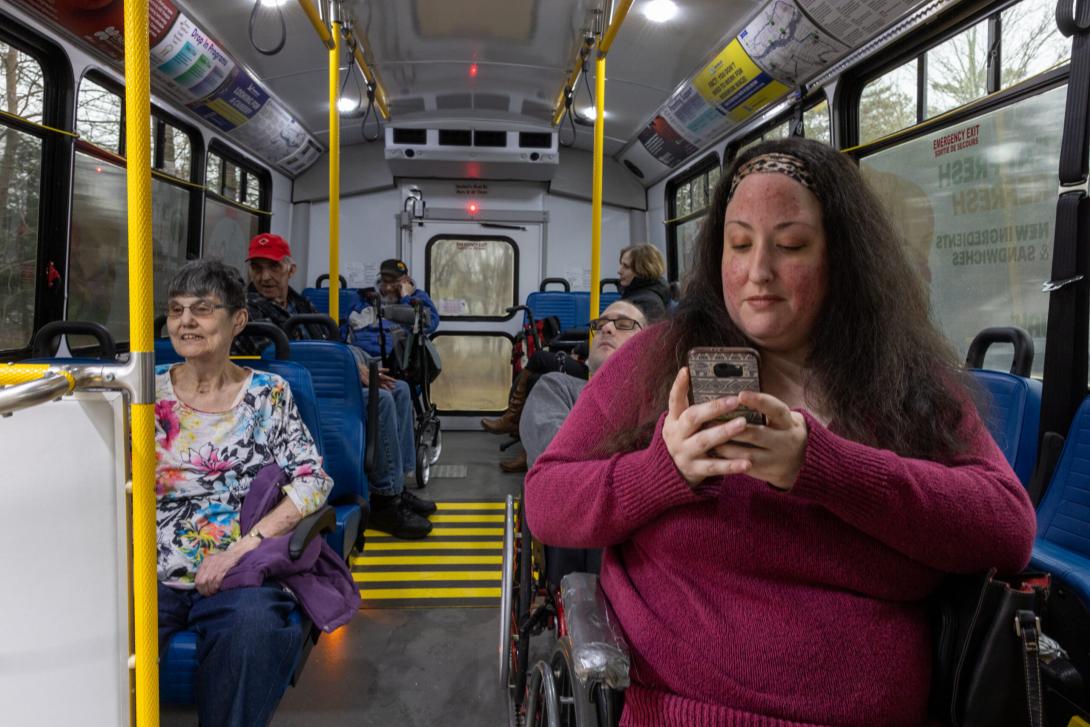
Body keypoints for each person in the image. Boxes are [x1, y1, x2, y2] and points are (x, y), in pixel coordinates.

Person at [524, 138, 1037, 726]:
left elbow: (1006, 527)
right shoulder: (657, 360)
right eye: (738, 244)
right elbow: (548, 500)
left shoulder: (901, 378)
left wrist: (824, 469)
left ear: (841, 257)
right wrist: (661, 472)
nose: (758, 272)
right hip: (685, 710)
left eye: (790, 245)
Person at [155, 259, 358, 727]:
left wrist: (242, 550)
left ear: (237, 320)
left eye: (202, 310)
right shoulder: (143, 391)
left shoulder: (269, 394)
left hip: (238, 568)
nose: (185, 322)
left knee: (251, 629)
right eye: (176, 310)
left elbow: (312, 481)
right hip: (149, 568)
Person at [241, 234, 434, 539]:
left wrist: (354, 366)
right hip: (296, 388)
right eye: (257, 268)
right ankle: (385, 500)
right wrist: (346, 371)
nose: (265, 276)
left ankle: (397, 485)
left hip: (326, 374)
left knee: (400, 389)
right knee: (379, 402)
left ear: (290, 270)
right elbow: (274, 361)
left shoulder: (298, 302)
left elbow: (329, 342)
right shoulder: (250, 310)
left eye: (273, 267)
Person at [344, 258, 440, 359]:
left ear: (406, 281)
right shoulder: (364, 296)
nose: (389, 287)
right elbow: (346, 329)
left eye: (395, 282)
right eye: (385, 281)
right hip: (361, 356)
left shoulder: (418, 297)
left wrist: (406, 298)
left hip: (398, 358)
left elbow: (430, 324)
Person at [617, 243, 670, 309]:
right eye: (621, 265)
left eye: (626, 267)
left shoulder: (647, 303)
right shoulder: (636, 293)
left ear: (643, 269)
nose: (619, 271)